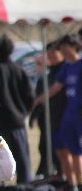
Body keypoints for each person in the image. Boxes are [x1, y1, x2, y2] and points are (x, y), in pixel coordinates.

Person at [34, 34, 82, 191]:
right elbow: (56, 87)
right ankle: (72, 186)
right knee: (65, 153)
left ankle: (79, 186)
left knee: (77, 153)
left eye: (63, 47)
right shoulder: (66, 68)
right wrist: (38, 100)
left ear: (72, 46)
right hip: (68, 116)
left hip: (78, 116)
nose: (61, 50)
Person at [0, 35, 35, 184]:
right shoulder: (19, 70)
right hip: (17, 122)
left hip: (0, 123)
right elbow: (30, 95)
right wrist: (23, 112)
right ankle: (26, 190)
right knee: (23, 163)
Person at [29, 42, 66, 177]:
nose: (50, 56)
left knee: (63, 153)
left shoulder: (66, 69)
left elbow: (55, 90)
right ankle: (51, 176)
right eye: (48, 53)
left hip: (64, 118)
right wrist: (34, 115)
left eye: (52, 53)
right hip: (49, 120)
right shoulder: (48, 74)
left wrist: (39, 100)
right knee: (46, 148)